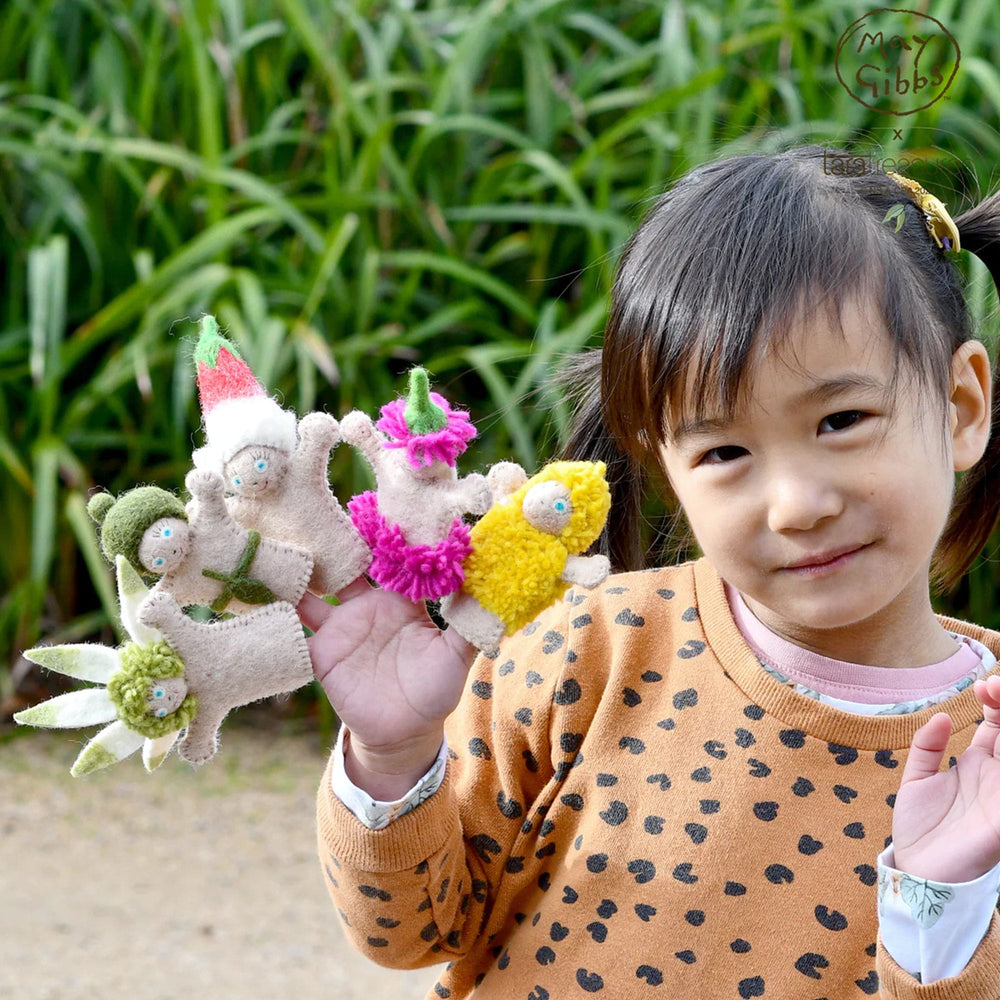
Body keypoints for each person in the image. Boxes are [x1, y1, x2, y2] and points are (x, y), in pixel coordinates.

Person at [300, 145, 1000, 999]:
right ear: (668, 467)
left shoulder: (990, 755)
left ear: (963, 407)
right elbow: (408, 931)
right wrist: (392, 751)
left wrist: (939, 905)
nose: (794, 504)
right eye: (724, 450)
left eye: (842, 419)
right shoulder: (585, 651)